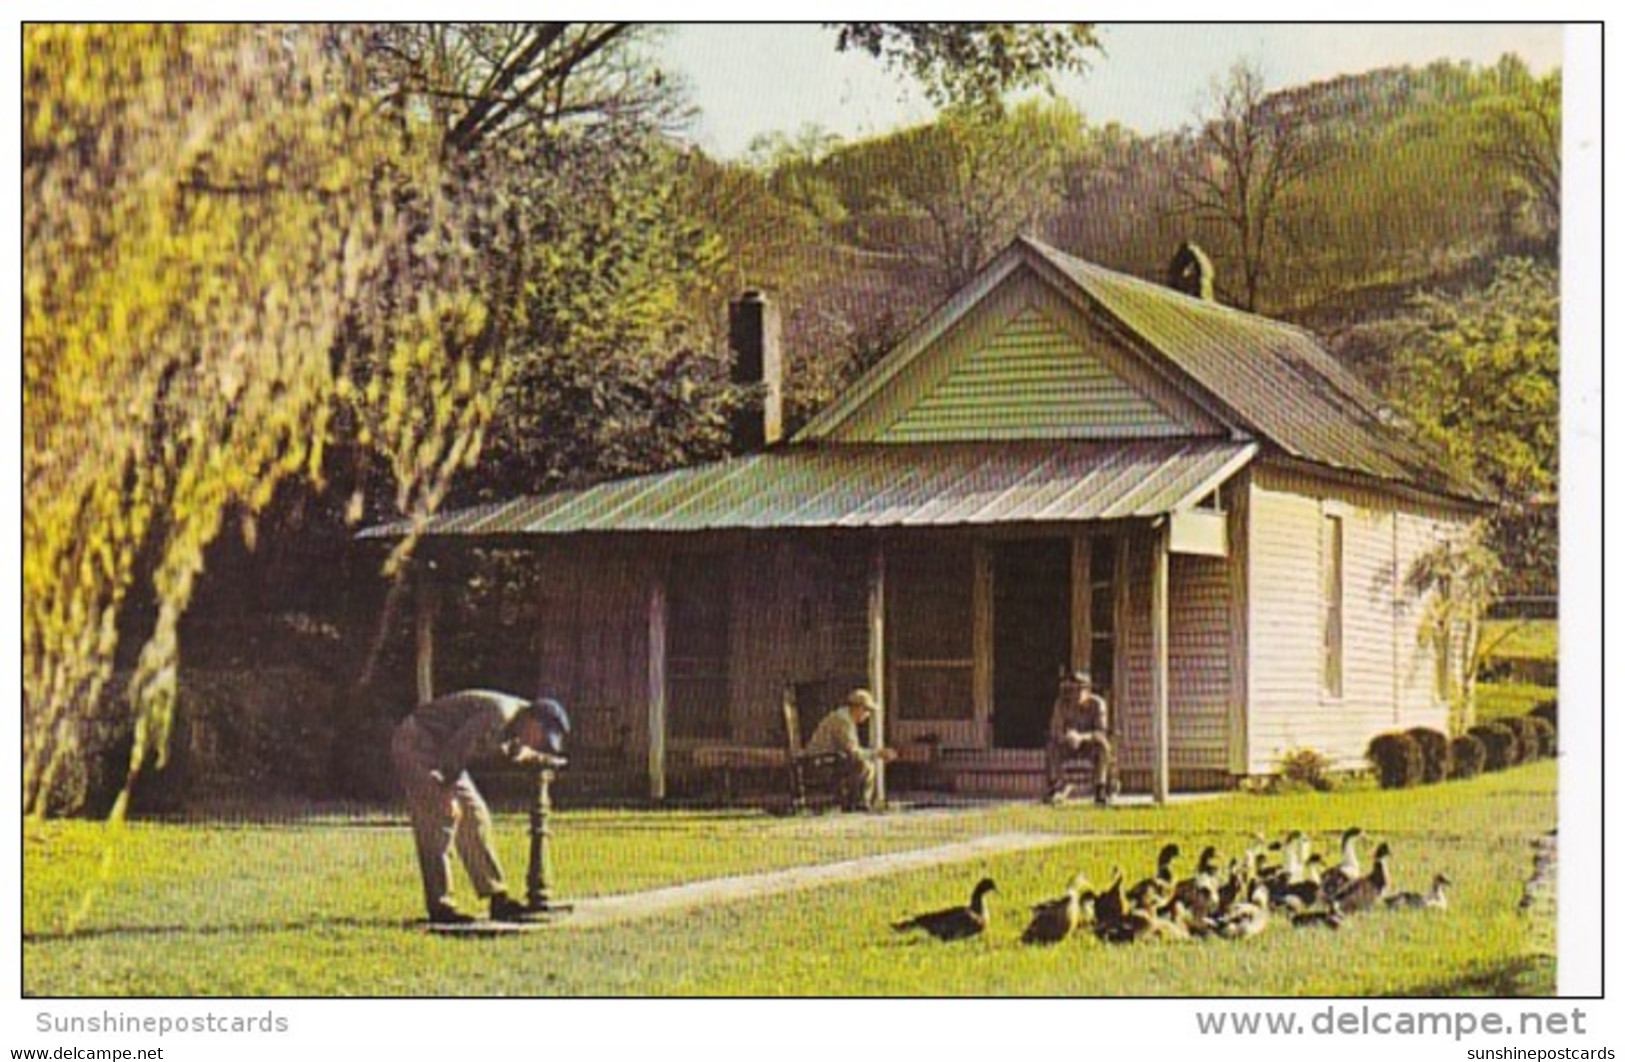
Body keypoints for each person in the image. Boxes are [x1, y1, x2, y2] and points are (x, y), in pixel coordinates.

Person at [391, 689, 570, 924]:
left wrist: (546, 761)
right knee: (441, 816)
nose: (539, 743)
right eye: (541, 737)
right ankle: (441, 907)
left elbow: (513, 752)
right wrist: (446, 790)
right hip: (418, 741)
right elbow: (459, 746)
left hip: (443, 750)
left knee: (476, 816)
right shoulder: (499, 714)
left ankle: (498, 897)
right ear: (533, 720)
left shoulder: (517, 723)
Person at [804, 688, 898, 812]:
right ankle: (857, 804)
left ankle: (858, 803)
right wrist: (878, 753)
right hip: (820, 763)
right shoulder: (843, 721)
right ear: (858, 708)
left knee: (865, 764)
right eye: (867, 710)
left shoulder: (844, 718)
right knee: (864, 766)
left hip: (828, 760)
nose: (867, 715)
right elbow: (853, 752)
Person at [1045, 670, 1116, 805]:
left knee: (1103, 746)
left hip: (1090, 743)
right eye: (1072, 689)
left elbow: (1101, 731)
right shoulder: (1061, 704)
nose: (1076, 693)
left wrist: (1081, 737)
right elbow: (1056, 729)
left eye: (1080, 689)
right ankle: (1057, 786)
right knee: (1052, 746)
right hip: (1068, 743)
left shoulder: (1098, 704)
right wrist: (1067, 737)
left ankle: (1100, 788)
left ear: (1088, 690)